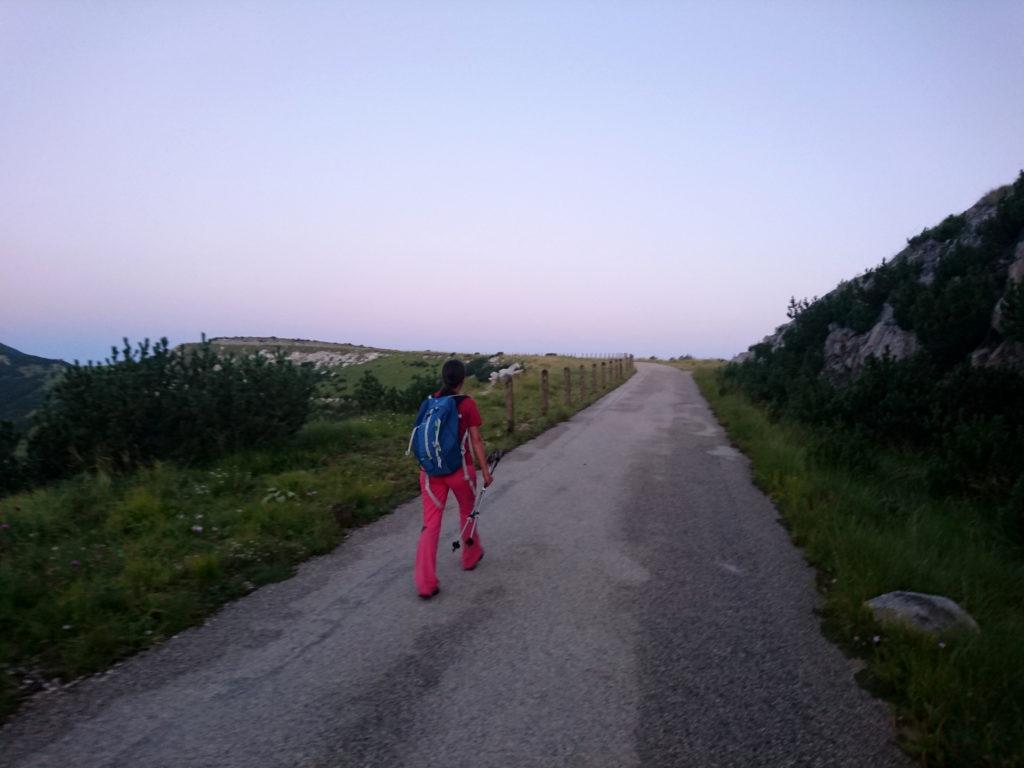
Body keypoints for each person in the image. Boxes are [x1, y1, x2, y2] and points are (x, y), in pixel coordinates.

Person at [415, 359, 493, 599]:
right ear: (463, 379)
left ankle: (425, 583)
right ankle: (469, 557)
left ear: (443, 377)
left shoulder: (429, 403)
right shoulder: (467, 404)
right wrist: (486, 471)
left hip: (430, 474)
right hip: (460, 471)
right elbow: (476, 441)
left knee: (430, 524)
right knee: (467, 512)